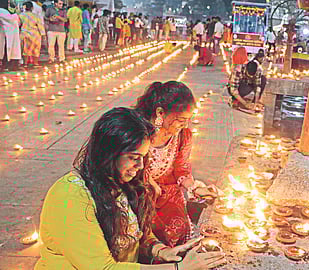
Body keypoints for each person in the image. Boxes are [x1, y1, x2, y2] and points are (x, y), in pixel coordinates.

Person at [34, 107, 225, 270]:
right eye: (134, 158)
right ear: (108, 154)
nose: (141, 166)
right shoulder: (69, 197)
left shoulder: (121, 182)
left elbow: (135, 234)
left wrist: (160, 250)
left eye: (143, 157)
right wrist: (177, 268)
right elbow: (104, 268)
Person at [135, 81, 221, 247]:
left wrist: (195, 188)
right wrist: (148, 182)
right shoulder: (137, 130)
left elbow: (181, 170)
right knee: (146, 234)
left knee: (178, 228)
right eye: (181, 120)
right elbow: (126, 165)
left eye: (188, 120)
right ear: (160, 112)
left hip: (166, 192)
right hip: (137, 190)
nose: (185, 125)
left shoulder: (183, 136)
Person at [19, 1, 45, 67]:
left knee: (25, 48)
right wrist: (43, 34)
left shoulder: (21, 15)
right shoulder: (35, 16)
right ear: (32, 8)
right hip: (35, 34)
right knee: (36, 49)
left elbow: (18, 24)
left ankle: (25, 63)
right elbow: (40, 25)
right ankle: (35, 63)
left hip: (24, 33)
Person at [0, 2, 22, 71]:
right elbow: (10, 19)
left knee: (11, 50)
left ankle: (10, 65)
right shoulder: (2, 10)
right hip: (8, 33)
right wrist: (16, 14)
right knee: (8, 50)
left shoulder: (6, 11)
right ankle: (7, 66)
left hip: (10, 33)